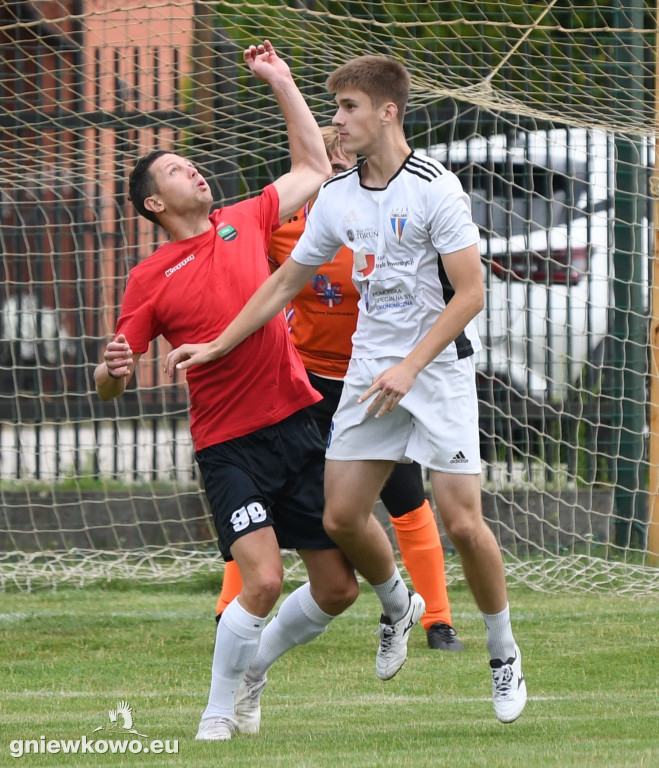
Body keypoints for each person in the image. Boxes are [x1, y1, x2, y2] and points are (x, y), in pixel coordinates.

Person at [164, 54, 528, 724]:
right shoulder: (336, 198)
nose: (337, 122)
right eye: (334, 109)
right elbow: (280, 286)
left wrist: (412, 365)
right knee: (338, 518)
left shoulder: (435, 189)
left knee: (462, 523)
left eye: (348, 108)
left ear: (387, 111)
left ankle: (502, 654)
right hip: (369, 374)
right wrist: (218, 343)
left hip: (436, 369)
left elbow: (470, 294)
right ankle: (396, 607)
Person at [94, 41, 362, 742]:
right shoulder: (149, 277)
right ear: (155, 202)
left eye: (194, 163)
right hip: (229, 446)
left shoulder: (246, 220)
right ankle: (217, 712)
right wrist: (113, 370)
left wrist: (280, 76)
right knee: (264, 582)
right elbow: (108, 386)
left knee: (338, 590)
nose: (195, 170)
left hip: (300, 425)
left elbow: (311, 164)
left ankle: (253, 669)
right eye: (178, 169)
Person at [215, 125, 464, 652]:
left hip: (375, 378)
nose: (336, 167)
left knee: (404, 494)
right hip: (307, 380)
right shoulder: (289, 225)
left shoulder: (384, 214)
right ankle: (228, 612)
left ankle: (436, 618)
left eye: (343, 157)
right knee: (272, 493)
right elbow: (254, 278)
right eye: (323, 159)